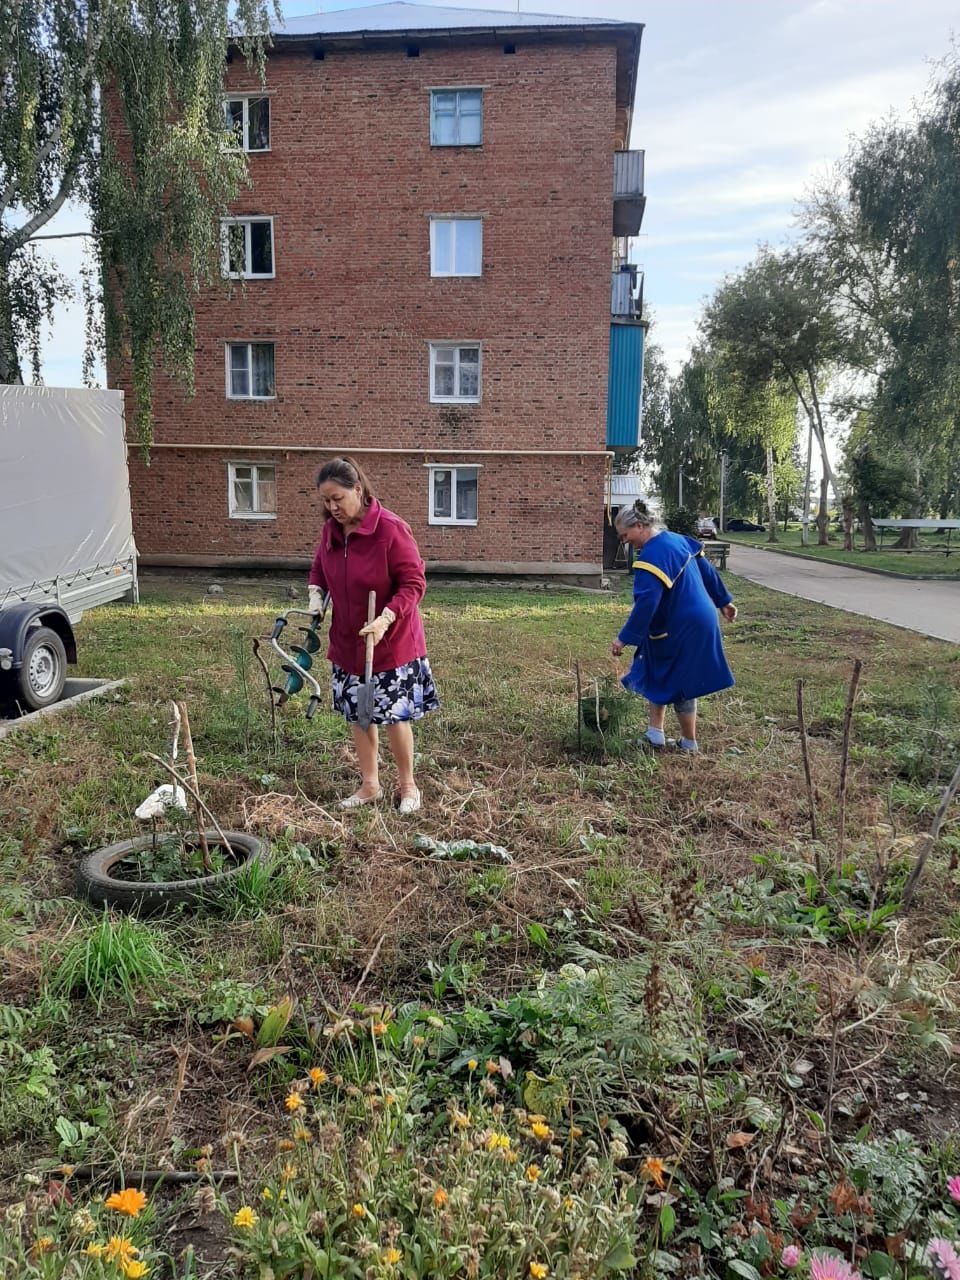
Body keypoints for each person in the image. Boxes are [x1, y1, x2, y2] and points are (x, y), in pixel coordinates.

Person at [308, 457, 439, 812]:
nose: (332, 507)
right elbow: (320, 564)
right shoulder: (331, 532)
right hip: (348, 642)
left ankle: (408, 786)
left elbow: (414, 582)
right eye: (326, 501)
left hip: (391, 642)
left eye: (338, 498)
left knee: (394, 716)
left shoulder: (390, 530)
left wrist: (385, 618)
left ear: (358, 490)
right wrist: (316, 593)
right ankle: (369, 785)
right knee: (358, 714)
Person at [610, 502, 737, 753]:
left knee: (680, 680)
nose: (625, 542)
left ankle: (689, 743)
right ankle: (655, 733)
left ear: (639, 525)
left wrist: (623, 638)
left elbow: (646, 603)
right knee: (657, 669)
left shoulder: (651, 556)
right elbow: (707, 571)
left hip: (679, 624)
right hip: (699, 619)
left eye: (626, 535)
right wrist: (724, 601)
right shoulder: (678, 540)